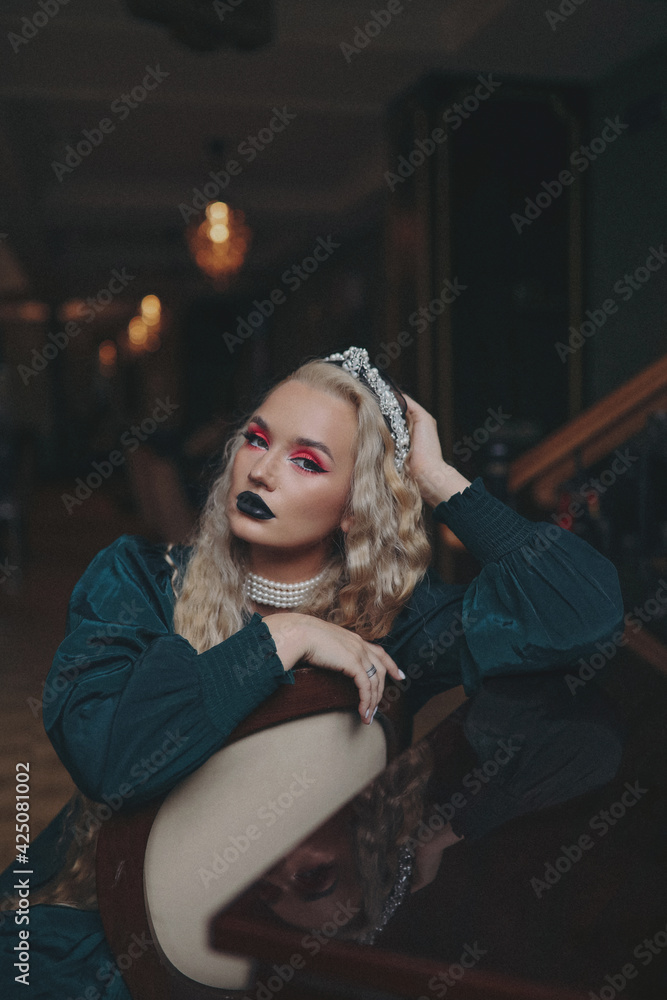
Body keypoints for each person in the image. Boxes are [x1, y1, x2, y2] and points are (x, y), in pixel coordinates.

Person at [0, 346, 625, 998]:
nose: (263, 471)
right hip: (97, 928)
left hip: (282, 942)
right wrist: (281, 638)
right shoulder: (136, 579)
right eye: (257, 440)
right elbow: (110, 760)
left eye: (305, 461)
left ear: (354, 508)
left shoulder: (398, 621)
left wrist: (436, 476)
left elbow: (584, 615)